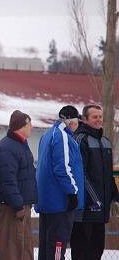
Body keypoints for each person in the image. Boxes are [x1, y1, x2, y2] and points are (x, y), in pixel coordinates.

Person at [70, 104, 119, 260]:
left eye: (100, 116)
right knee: (81, 249)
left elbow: (108, 174)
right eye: (94, 117)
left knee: (97, 249)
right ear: (85, 119)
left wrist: (114, 195)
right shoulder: (80, 139)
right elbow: (80, 174)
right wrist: (94, 198)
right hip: (84, 208)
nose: (98, 119)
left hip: (101, 209)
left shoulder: (105, 142)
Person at [36, 105, 84, 260]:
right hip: (59, 202)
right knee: (57, 245)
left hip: (47, 201)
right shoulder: (62, 136)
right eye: (77, 122)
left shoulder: (47, 135)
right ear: (71, 121)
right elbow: (62, 168)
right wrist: (72, 192)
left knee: (45, 245)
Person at [0, 110, 37, 260]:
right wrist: (18, 205)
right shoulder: (8, 148)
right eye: (29, 124)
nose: (32, 127)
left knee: (23, 248)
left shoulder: (20, 145)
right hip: (12, 207)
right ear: (21, 126)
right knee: (12, 249)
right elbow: (7, 181)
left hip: (21, 205)